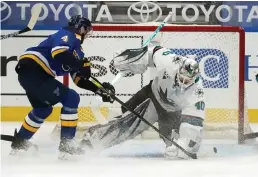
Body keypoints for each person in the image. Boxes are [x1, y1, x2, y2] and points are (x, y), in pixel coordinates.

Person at [10, 15, 115, 159]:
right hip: (34, 68)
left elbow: (78, 79)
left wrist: (99, 89)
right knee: (71, 98)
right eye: (86, 29)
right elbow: (58, 54)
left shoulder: (78, 51)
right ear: (80, 27)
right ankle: (67, 146)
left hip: (30, 74)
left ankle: (20, 143)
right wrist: (79, 64)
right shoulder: (68, 34)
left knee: (42, 110)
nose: (88, 33)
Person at [81, 44, 205, 159]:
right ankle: (90, 142)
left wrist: (182, 146)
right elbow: (151, 52)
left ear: (195, 79)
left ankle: (172, 143)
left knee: (176, 149)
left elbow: (194, 123)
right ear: (178, 69)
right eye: (181, 78)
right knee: (126, 125)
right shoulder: (170, 61)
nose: (183, 84)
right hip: (152, 97)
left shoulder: (197, 93)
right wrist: (130, 59)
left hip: (173, 114)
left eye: (187, 81)